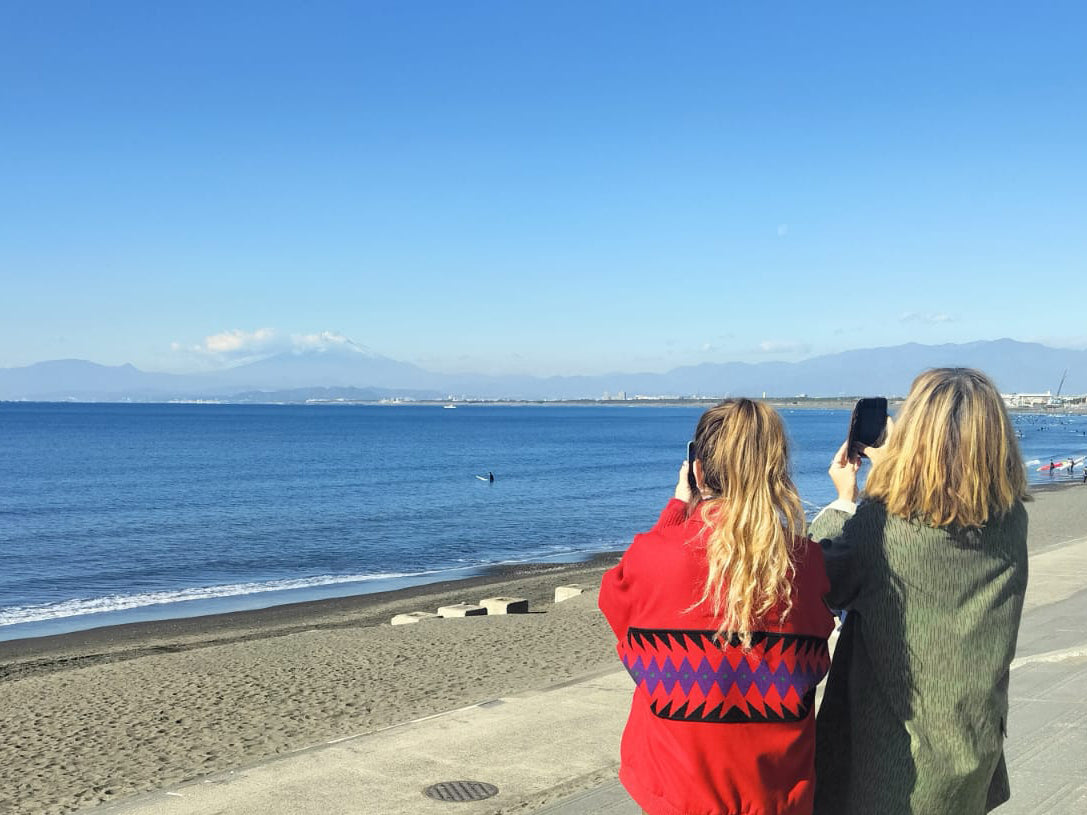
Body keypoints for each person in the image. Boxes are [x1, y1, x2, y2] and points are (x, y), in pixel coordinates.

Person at [809, 368, 1029, 814]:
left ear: (914, 436)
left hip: (892, 771)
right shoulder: (1010, 523)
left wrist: (843, 502)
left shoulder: (880, 527)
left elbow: (818, 581)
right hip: (972, 756)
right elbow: (947, 512)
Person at [599, 399, 835, 815]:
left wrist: (676, 511)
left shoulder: (654, 556)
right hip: (778, 797)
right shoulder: (805, 563)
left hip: (676, 796)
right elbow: (813, 658)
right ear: (776, 473)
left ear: (698, 470)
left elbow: (616, 604)